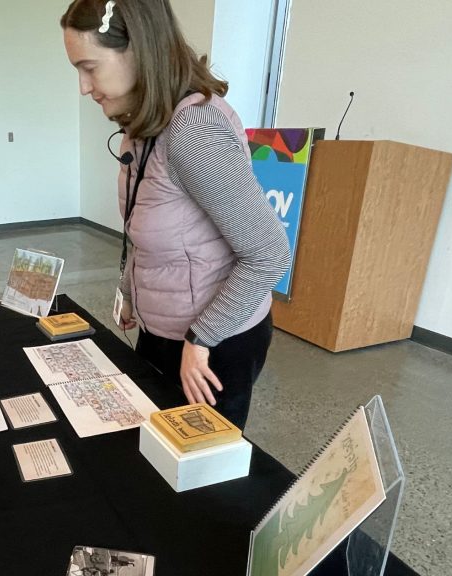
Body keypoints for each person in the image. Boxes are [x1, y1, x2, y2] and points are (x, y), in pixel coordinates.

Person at [61, 0, 291, 429]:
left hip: (213, 343)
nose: (83, 86)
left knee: (198, 475)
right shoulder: (146, 125)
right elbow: (147, 224)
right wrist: (131, 290)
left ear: (139, 50)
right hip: (167, 329)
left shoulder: (193, 131)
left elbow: (269, 255)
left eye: (90, 67)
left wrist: (201, 339)